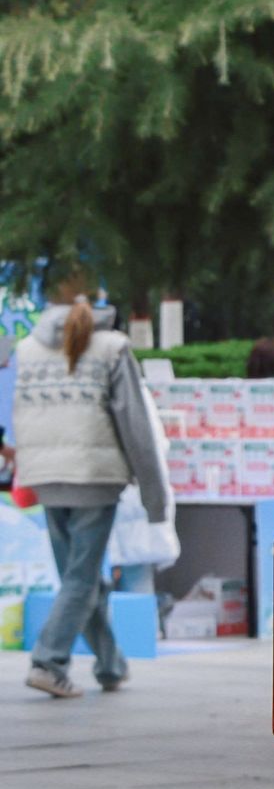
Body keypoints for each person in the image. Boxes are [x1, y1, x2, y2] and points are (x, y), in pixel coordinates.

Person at [18, 289, 168, 699]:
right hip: (94, 477)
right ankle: (48, 662)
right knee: (81, 578)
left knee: (78, 578)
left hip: (44, 476)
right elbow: (135, 425)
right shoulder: (113, 348)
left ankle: (110, 664)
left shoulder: (28, 349)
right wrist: (155, 497)